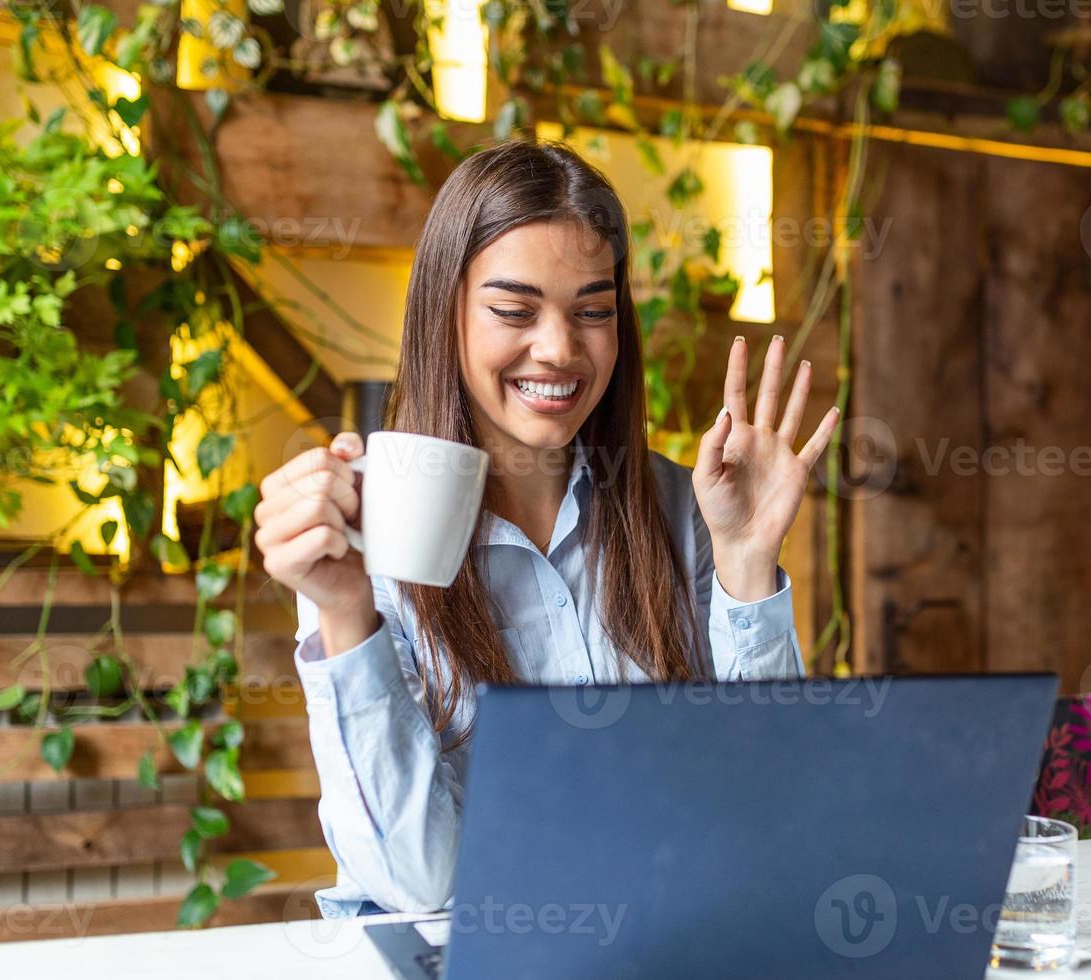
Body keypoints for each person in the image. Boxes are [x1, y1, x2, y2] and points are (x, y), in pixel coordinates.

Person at [253, 138, 839, 917]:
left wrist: (745, 559)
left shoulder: (682, 506)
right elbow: (418, 884)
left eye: (592, 311)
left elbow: (764, 807)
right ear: (446, 311)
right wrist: (343, 612)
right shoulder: (373, 534)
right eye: (513, 310)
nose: (560, 349)